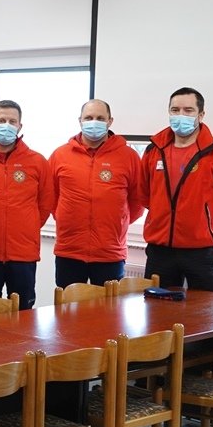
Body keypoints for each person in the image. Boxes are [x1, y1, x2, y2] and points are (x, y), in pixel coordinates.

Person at [139, 87, 213, 291]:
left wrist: (211, 223)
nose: (180, 115)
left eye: (188, 110)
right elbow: (144, 195)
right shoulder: (153, 150)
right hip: (160, 251)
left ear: (201, 115)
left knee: (209, 310)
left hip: (205, 253)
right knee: (157, 309)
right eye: (175, 110)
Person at [49, 99, 144, 287]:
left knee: (109, 306)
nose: (94, 122)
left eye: (100, 118)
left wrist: (116, 221)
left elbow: (137, 202)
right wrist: (65, 216)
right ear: (80, 121)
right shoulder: (60, 155)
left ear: (110, 121)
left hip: (110, 253)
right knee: (67, 304)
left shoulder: (129, 156)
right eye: (89, 117)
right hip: (69, 251)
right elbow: (51, 198)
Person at [0, 100, 52, 309]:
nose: (6, 125)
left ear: (20, 126)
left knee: (23, 314)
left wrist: (25, 226)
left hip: (23, 254)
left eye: (12, 121)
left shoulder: (37, 161)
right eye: (1, 120)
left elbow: (45, 204)